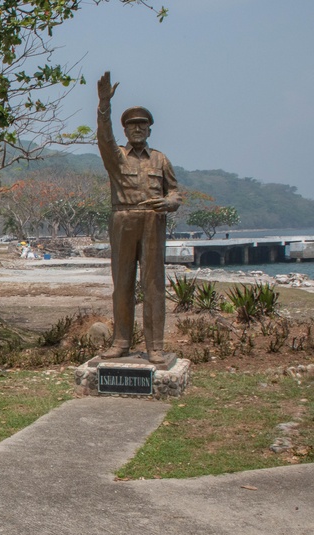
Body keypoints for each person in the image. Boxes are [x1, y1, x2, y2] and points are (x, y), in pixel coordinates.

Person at [97, 71, 181, 364]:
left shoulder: (160, 159)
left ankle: (155, 344)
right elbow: (103, 137)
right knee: (122, 283)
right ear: (125, 130)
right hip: (123, 219)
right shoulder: (116, 157)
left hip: (153, 221)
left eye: (142, 124)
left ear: (149, 129)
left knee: (153, 283)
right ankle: (121, 341)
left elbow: (176, 192)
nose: (137, 128)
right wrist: (104, 105)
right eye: (132, 125)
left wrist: (168, 203)